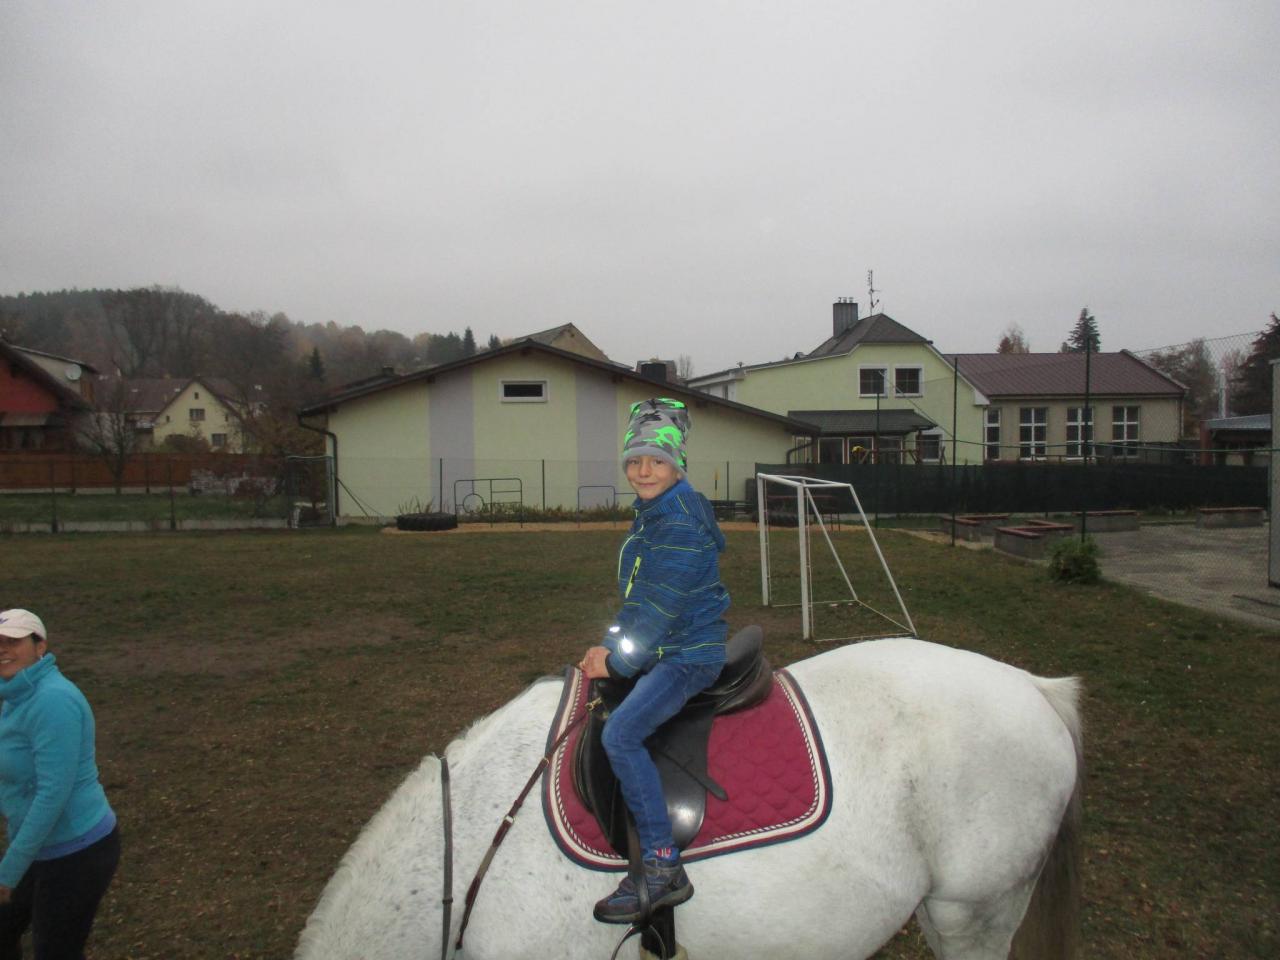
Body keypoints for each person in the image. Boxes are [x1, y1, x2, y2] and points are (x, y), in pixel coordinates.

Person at [578, 398, 730, 924]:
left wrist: (620, 664)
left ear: (677, 465)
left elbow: (661, 611)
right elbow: (639, 602)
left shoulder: (679, 523)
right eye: (635, 461)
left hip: (687, 655)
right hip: (666, 643)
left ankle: (663, 865)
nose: (644, 471)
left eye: (657, 461)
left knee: (621, 735)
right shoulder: (656, 512)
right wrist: (609, 645)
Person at [0, 609, 119, 960]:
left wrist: (9, 872)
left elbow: (53, 794)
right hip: (35, 843)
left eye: (13, 641)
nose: (3, 649)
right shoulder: (14, 693)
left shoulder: (53, 701)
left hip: (76, 850)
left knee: (56, 951)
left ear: (40, 647)